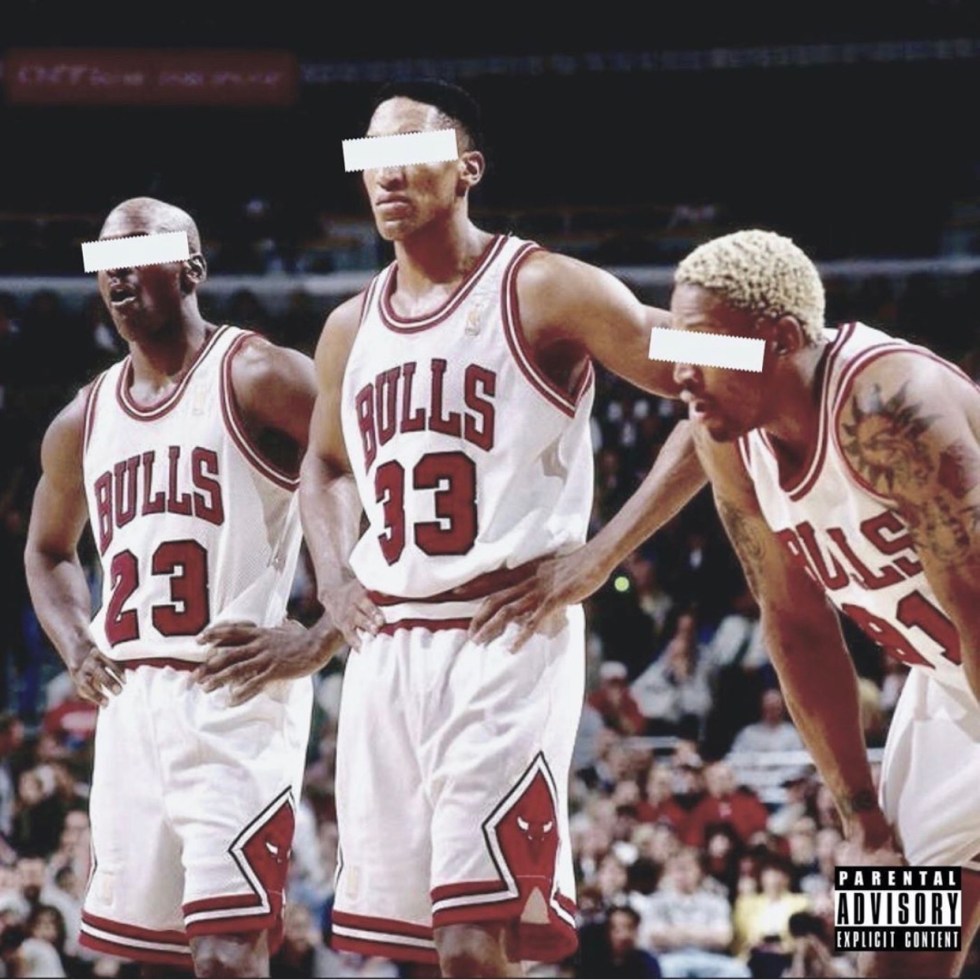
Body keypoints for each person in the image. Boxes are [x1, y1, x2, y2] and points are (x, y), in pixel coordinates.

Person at [196, 79, 705, 977]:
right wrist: (333, 581)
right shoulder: (349, 327)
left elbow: (717, 368)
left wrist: (600, 556)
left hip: (503, 633)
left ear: (468, 169)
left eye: (411, 152)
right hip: (388, 648)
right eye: (371, 157)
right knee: (422, 951)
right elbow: (326, 465)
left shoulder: (543, 286)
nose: (386, 173)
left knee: (474, 943)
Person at [478, 228, 980, 978]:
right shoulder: (731, 438)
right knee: (894, 950)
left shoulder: (890, 407)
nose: (681, 372)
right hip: (947, 681)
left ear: (780, 340)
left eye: (705, 348)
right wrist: (860, 817)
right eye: (679, 347)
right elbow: (797, 630)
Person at [24, 197, 317, 977]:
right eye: (105, 264)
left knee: (227, 953)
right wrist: (75, 644)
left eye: (137, 257)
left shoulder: (258, 373)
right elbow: (47, 550)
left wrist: (323, 630)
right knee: (152, 960)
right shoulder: (82, 419)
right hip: (131, 706)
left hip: (235, 695)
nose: (118, 277)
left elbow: (371, 468)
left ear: (192, 269)